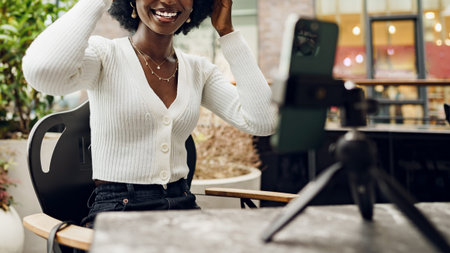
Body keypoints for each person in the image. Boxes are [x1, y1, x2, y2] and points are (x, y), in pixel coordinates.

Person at [22, 0, 277, 227]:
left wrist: (227, 32)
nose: (168, 1)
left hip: (183, 207)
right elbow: (44, 72)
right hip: (119, 210)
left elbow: (264, 121)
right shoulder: (105, 56)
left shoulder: (199, 71)